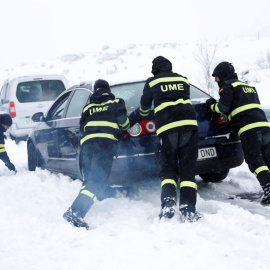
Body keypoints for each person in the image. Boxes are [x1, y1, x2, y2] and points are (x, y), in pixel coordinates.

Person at [138, 56, 200, 222]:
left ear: (155, 69)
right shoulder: (183, 79)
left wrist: (140, 115)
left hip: (168, 129)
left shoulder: (152, 82)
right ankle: (188, 208)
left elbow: (144, 109)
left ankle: (168, 205)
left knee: (168, 168)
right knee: (188, 168)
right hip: (189, 126)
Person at [63, 79, 131, 229]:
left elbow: (82, 128)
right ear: (108, 90)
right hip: (104, 145)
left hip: (87, 147)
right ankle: (75, 212)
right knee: (98, 180)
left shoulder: (88, 107)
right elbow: (123, 122)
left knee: (90, 179)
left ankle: (82, 205)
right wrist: (127, 127)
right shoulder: (116, 102)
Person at [206, 61, 270, 205]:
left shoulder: (227, 86)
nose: (216, 80)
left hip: (249, 129)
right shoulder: (249, 87)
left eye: (216, 77)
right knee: (267, 158)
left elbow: (222, 107)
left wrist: (211, 105)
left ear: (223, 75)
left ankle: (269, 189)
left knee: (254, 160)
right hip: (264, 126)